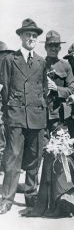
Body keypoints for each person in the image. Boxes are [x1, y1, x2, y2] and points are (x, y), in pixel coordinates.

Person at [23, 92, 74, 217]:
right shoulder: (62, 129)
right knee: (61, 159)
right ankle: (67, 197)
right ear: (72, 116)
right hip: (68, 177)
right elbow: (50, 156)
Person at [0, 18, 47, 214]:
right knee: (13, 156)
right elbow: (5, 88)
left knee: (34, 158)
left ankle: (30, 195)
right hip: (16, 114)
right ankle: (6, 198)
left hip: (36, 114)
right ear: (20, 37)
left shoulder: (41, 61)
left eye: (34, 35)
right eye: (28, 34)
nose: (31, 38)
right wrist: (8, 112)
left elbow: (44, 89)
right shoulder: (10, 60)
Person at [43, 30, 74, 131]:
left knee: (59, 144)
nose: (53, 48)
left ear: (60, 48)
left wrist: (57, 88)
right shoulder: (39, 64)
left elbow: (72, 90)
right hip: (41, 113)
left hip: (58, 114)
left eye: (56, 46)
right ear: (45, 47)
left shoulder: (66, 66)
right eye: (50, 46)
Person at [0, 41, 14, 173]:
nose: (3, 57)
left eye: (5, 54)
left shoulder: (9, 69)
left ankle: (5, 166)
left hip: (9, 109)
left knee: (8, 138)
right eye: (1, 55)